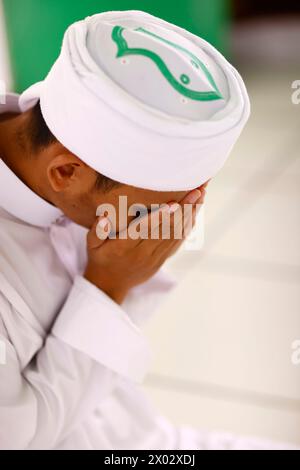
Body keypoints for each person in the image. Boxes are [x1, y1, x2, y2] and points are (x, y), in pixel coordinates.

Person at [0, 10, 287, 450]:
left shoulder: (68, 145)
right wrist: (107, 287)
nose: (182, 217)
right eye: (163, 204)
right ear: (66, 173)